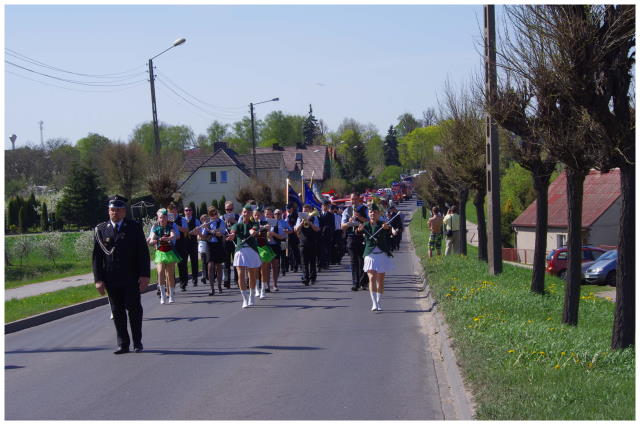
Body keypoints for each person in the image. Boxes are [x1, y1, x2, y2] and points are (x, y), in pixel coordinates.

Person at [93, 195, 150, 354]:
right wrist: (98, 279)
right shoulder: (101, 229)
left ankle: (137, 342)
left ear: (124, 211)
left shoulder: (133, 227)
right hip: (111, 278)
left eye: (118, 210)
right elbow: (97, 258)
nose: (115, 213)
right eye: (112, 210)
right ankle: (123, 344)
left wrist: (145, 275)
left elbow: (143, 253)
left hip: (131, 277)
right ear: (108, 211)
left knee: (134, 309)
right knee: (117, 311)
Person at [358, 203, 393, 311]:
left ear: (378, 214)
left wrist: (387, 228)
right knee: (372, 278)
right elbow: (358, 231)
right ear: (369, 214)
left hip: (381, 255)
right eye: (371, 212)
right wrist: (359, 230)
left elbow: (389, 230)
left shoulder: (383, 224)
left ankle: (378, 301)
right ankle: (374, 303)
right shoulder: (366, 225)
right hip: (370, 255)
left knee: (380, 281)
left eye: (375, 212)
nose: (373, 214)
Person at [227, 204, 261, 308]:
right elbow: (233, 231)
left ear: (251, 214)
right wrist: (232, 235)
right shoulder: (237, 225)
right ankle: (244, 299)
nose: (246, 214)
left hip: (251, 250)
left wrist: (253, 231)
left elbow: (254, 230)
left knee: (252, 275)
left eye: (248, 212)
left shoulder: (254, 224)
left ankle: (251, 295)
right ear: (242, 213)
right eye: (244, 212)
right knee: (241, 275)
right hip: (240, 251)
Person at [147, 208, 181, 304]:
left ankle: (171, 295)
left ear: (167, 218)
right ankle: (162, 295)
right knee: (160, 271)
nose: (163, 219)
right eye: (161, 217)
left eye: (164, 217)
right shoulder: (156, 228)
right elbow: (151, 240)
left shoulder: (170, 226)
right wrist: (155, 240)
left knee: (170, 275)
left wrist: (168, 238)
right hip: (160, 252)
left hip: (169, 252)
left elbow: (173, 235)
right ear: (158, 218)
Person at [342, 193, 368, 291]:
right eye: (352, 199)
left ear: (359, 199)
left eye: (356, 199)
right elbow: (342, 226)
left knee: (363, 261)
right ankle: (355, 283)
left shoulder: (364, 209)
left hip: (362, 237)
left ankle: (363, 282)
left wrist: (359, 217)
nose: (354, 201)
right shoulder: (347, 210)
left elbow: (369, 222)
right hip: (351, 237)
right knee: (353, 261)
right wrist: (349, 223)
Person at [294, 204, 320, 286]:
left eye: (306, 211)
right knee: (304, 262)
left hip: (312, 242)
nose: (304, 212)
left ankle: (313, 278)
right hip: (303, 242)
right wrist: (302, 222)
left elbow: (317, 229)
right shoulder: (299, 218)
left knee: (312, 261)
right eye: (303, 211)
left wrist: (310, 223)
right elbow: (296, 229)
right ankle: (306, 278)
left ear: (310, 211)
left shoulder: (314, 217)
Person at [203, 206, 227, 296]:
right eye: (211, 214)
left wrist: (208, 229)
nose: (214, 215)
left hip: (218, 244)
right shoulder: (207, 222)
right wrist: (200, 230)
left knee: (218, 266)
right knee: (210, 266)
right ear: (209, 215)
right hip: (210, 245)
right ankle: (211, 288)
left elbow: (220, 233)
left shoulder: (221, 222)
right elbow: (204, 235)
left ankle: (219, 286)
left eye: (215, 213)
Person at [176, 205, 200, 291]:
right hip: (184, 244)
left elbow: (198, 232)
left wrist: (193, 232)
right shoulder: (182, 220)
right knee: (184, 262)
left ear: (192, 211)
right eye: (186, 210)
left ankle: (195, 279)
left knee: (194, 261)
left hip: (192, 243)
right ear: (184, 212)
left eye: (189, 210)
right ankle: (184, 281)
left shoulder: (195, 220)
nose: (188, 212)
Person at [266, 208, 289, 291]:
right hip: (268, 245)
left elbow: (289, 231)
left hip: (279, 243)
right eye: (276, 214)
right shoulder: (266, 222)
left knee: (277, 263)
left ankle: (275, 284)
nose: (277, 215)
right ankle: (267, 285)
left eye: (279, 213)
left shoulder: (283, 222)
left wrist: (285, 231)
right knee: (267, 266)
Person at [221, 201, 239, 288]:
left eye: (230, 209)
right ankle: (226, 281)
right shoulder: (222, 217)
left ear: (233, 209)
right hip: (226, 240)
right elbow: (220, 229)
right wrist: (224, 223)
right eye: (227, 209)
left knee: (236, 261)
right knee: (226, 262)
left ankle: (237, 280)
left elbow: (240, 226)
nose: (229, 211)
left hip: (235, 240)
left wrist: (234, 221)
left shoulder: (237, 216)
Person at [317, 200, 335, 270]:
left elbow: (332, 225)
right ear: (321, 206)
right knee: (319, 249)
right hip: (319, 234)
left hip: (327, 234)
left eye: (326, 206)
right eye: (324, 205)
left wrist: (330, 232)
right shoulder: (318, 214)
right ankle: (319, 263)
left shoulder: (330, 215)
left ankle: (326, 263)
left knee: (326, 249)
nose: (325, 207)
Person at [195, 214, 211, 285]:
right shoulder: (200, 227)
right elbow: (198, 237)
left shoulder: (209, 227)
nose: (204, 221)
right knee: (204, 261)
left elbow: (208, 236)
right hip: (202, 245)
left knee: (209, 261)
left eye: (206, 219)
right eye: (203, 219)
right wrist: (200, 236)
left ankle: (210, 275)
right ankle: (204, 276)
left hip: (209, 245)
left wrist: (202, 236)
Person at [285, 203, 301, 273]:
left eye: (288, 208)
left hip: (294, 235)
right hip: (286, 236)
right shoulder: (286, 215)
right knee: (287, 251)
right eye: (287, 208)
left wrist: (290, 229)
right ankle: (289, 266)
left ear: (292, 208)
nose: (287, 210)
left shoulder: (296, 215)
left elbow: (296, 225)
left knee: (294, 251)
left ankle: (295, 266)